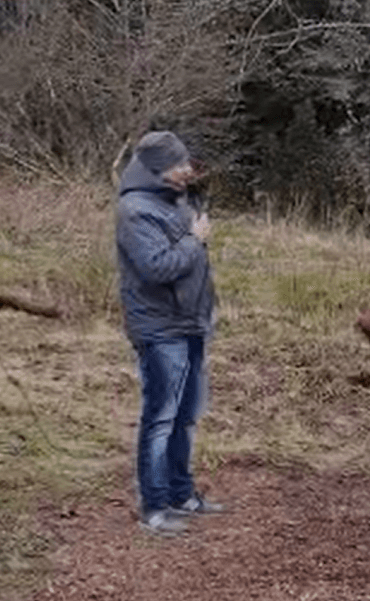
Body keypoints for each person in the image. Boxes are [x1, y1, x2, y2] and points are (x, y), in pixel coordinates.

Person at [116, 130, 224, 536]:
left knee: (185, 417)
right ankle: (155, 507)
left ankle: (182, 495)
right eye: (179, 164)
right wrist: (195, 241)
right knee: (160, 418)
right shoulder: (134, 209)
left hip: (190, 323)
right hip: (160, 329)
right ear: (159, 168)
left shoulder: (176, 199)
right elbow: (157, 266)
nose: (187, 169)